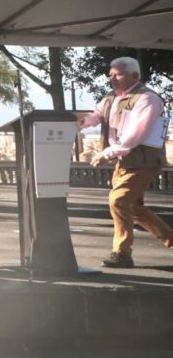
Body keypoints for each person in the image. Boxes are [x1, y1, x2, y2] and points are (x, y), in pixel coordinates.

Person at [78, 56, 173, 268]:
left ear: (135, 76)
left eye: (118, 74)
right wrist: (79, 121)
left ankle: (121, 254)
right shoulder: (111, 98)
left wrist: (107, 153)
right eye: (111, 75)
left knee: (118, 200)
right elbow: (96, 115)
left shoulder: (147, 98)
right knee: (135, 209)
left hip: (143, 161)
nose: (113, 79)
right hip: (124, 161)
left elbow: (135, 134)